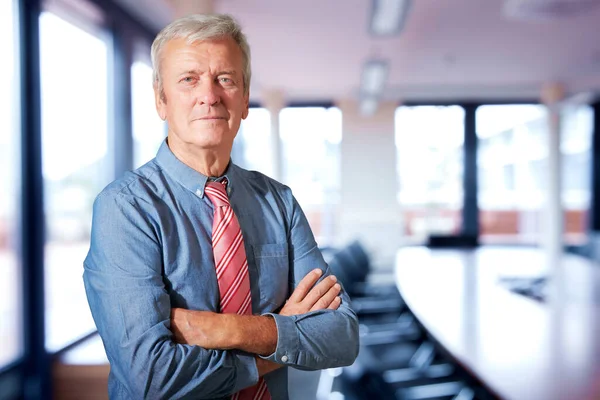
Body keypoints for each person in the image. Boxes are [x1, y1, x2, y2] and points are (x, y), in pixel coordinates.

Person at [83, 13, 359, 400]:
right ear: (161, 100)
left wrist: (226, 329)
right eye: (188, 79)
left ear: (245, 99)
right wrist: (279, 337)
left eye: (225, 79)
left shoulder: (279, 202)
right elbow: (152, 378)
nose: (209, 95)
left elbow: (342, 336)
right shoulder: (126, 210)